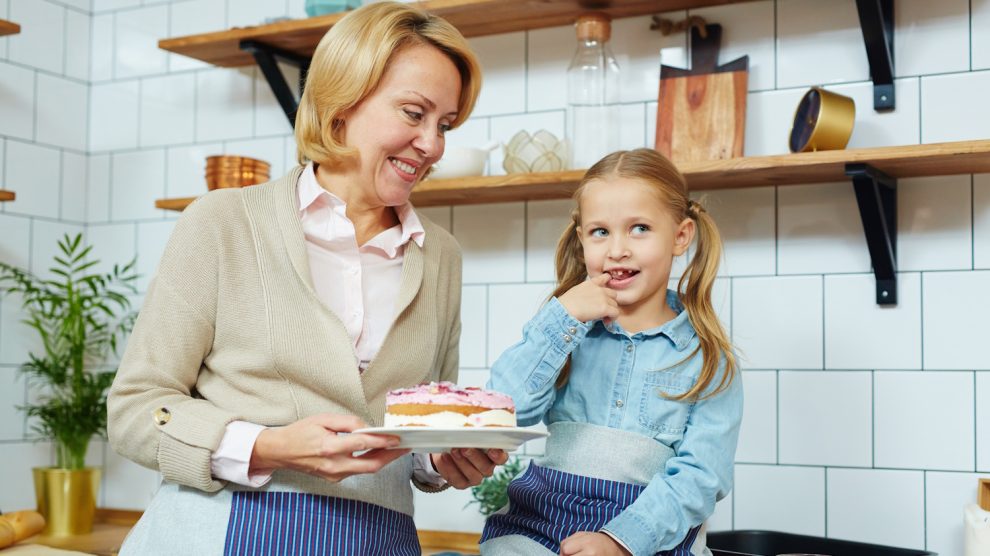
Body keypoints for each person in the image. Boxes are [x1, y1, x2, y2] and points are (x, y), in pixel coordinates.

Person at [107, 3, 506, 553]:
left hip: (377, 539)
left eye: (446, 125)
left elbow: (417, 431)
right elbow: (134, 410)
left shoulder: (441, 255)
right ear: (341, 102)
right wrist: (268, 446)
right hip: (220, 533)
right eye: (414, 114)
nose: (433, 145)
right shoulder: (224, 222)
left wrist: (445, 458)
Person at [480, 148, 743, 556]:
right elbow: (500, 413)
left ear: (680, 236)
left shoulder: (708, 360)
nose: (617, 249)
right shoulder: (566, 332)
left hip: (651, 538)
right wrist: (562, 317)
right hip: (543, 528)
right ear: (582, 238)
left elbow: (702, 476)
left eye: (639, 228)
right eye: (600, 232)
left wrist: (622, 541)